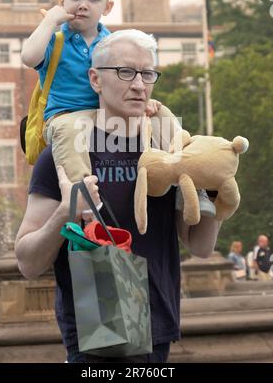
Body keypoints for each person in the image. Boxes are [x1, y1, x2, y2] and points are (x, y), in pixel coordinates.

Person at [15, 29, 222, 363]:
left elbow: (200, 246)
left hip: (157, 329)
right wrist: (66, 213)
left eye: (148, 73)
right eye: (125, 72)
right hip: (94, 334)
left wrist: (217, 197)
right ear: (95, 79)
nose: (139, 84)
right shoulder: (66, 153)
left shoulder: (169, 147)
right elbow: (27, 263)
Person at [21, 0, 162, 185]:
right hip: (64, 116)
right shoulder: (55, 40)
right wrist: (49, 22)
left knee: (162, 116)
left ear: (107, 7)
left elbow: (132, 74)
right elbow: (28, 57)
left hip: (107, 115)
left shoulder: (113, 42)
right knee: (70, 130)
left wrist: (141, 101)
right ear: (62, 0)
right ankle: (82, 194)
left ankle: (184, 181)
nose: (83, 4)